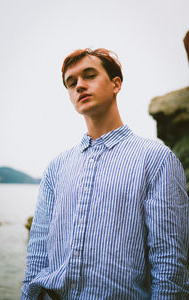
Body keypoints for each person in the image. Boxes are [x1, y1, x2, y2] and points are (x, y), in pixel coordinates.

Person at [21, 48, 189, 299]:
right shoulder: (56, 167)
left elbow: (169, 265)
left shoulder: (156, 159)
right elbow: (37, 255)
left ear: (116, 84)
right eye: (71, 82)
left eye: (89, 75)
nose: (79, 86)